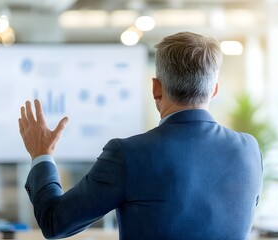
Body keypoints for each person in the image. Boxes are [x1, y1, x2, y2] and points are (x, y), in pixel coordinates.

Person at [19, 32, 263, 240]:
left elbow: (55, 222)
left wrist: (41, 155)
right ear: (214, 90)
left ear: (156, 88)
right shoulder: (249, 150)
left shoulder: (128, 155)